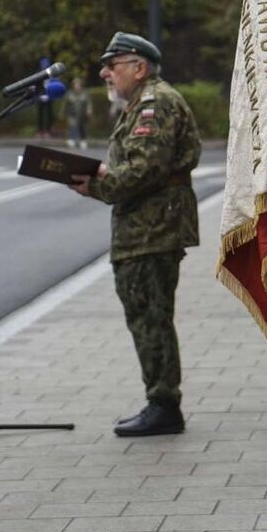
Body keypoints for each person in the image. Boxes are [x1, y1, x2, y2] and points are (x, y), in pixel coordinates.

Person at [69, 32, 201, 438]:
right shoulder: (144, 102)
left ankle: (164, 405)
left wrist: (96, 184)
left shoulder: (154, 103)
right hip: (145, 228)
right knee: (146, 316)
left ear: (139, 68)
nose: (104, 73)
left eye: (113, 65)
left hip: (152, 230)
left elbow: (146, 170)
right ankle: (160, 401)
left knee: (151, 318)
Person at [65, 77, 92, 148]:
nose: (77, 86)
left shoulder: (85, 93)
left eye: (79, 84)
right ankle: (72, 139)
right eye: (76, 84)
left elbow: (88, 103)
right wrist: (64, 112)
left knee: (82, 127)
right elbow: (66, 104)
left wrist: (89, 110)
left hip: (82, 114)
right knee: (73, 126)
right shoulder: (69, 94)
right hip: (72, 113)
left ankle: (83, 140)